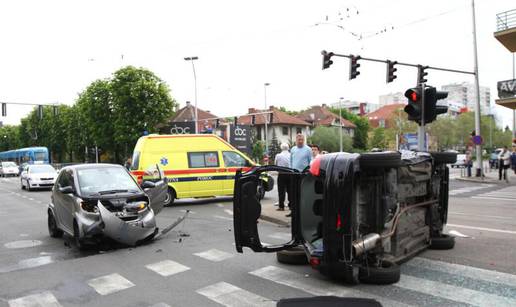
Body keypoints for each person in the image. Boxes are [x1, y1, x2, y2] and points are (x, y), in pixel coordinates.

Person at [287, 134, 312, 217]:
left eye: (302, 140)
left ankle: (303, 211)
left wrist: (308, 172)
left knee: (303, 193)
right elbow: (290, 161)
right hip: (294, 174)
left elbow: (310, 161)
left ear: (304, 140)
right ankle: (293, 211)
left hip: (303, 174)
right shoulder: (293, 149)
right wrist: (290, 170)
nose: (300, 141)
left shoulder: (308, 149)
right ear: (296, 140)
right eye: (299, 140)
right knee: (293, 193)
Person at [274, 143, 291, 211]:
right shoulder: (291, 155)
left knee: (281, 191)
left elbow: (275, 164)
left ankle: (281, 206)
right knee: (290, 190)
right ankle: (291, 205)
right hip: (290, 174)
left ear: (281, 148)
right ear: (288, 148)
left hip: (281, 174)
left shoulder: (278, 155)